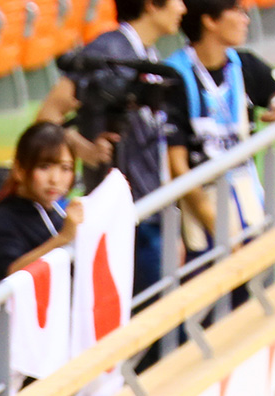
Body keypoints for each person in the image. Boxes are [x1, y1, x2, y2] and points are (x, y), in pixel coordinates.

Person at [34, 0, 190, 322]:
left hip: (149, 208)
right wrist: (84, 148)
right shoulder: (108, 51)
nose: (183, 8)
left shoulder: (148, 54)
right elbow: (47, 115)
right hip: (119, 215)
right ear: (150, 5)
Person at [166, 0, 275, 267]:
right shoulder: (174, 74)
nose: (246, 19)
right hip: (201, 222)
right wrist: (215, 222)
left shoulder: (245, 65)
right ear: (209, 20)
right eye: (237, 12)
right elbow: (177, 165)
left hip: (249, 210)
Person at [0, 122, 81, 396]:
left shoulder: (55, 212)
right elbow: (9, 274)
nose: (56, 179)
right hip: (17, 350)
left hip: (53, 345)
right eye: (45, 167)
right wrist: (63, 240)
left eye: (65, 169)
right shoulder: (1, 217)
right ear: (21, 169)